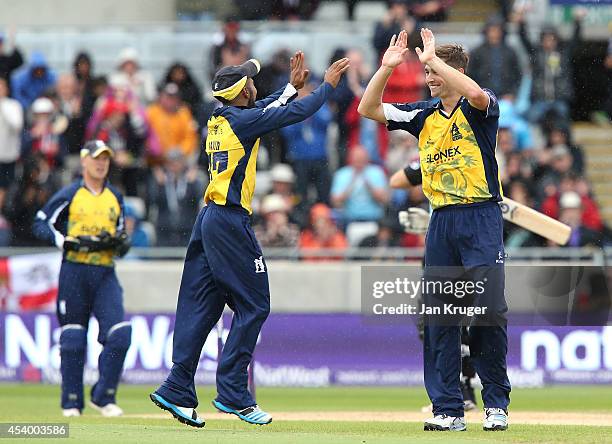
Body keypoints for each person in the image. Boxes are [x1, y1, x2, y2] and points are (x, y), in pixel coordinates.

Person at [151, 53, 349, 427]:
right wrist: (326, 88)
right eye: (249, 79)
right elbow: (290, 114)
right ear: (242, 91)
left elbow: (266, 107)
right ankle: (232, 393)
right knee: (255, 304)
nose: (254, 81)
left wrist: (290, 87)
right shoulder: (244, 121)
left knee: (204, 305)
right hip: (228, 221)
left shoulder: (221, 117)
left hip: (209, 218)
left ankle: (177, 386)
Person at [358, 28, 510, 431]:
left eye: (437, 72)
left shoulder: (481, 108)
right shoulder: (424, 114)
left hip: (481, 216)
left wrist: (433, 59)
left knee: (487, 311)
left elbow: (476, 94)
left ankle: (495, 403)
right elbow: (367, 109)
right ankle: (447, 409)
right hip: (442, 220)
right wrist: (386, 69)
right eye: (427, 72)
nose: (430, 78)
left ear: (455, 70)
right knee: (440, 317)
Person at [32, 140, 132, 417]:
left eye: (106, 159)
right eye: (96, 158)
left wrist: (119, 243)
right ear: (84, 161)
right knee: (74, 338)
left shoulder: (115, 196)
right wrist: (64, 241)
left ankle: (103, 395)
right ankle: (72, 403)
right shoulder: (70, 193)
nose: (101, 163)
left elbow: (122, 236)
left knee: (120, 334)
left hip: (104, 272)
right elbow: (40, 221)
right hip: (75, 271)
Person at [146, 82, 198, 159]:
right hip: (155, 159)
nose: (171, 100)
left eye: (174, 97)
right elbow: (146, 134)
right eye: (168, 97)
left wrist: (180, 151)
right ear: (161, 97)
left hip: (179, 159)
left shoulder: (184, 112)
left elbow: (191, 138)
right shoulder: (151, 111)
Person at [0, 77, 22, 210]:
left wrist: (2, 105)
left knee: (6, 189)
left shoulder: (13, 105)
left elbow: (17, 125)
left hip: (8, 156)